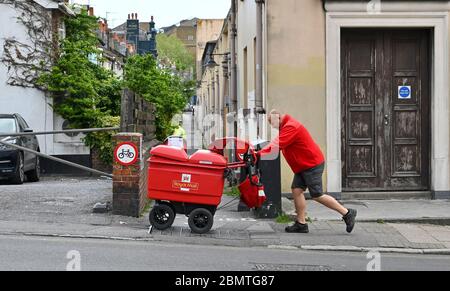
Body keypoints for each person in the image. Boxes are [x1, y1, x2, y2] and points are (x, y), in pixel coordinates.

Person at [258, 109, 357, 233]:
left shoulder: (291, 127)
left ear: (278, 118)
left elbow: (277, 145)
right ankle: (301, 223)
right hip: (303, 166)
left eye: (272, 123)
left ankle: (347, 213)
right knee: (296, 190)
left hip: (311, 164)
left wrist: (258, 154)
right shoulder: (287, 126)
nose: (273, 127)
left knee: (317, 195)